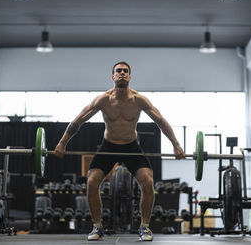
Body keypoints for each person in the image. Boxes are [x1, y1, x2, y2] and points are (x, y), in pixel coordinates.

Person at [54, 61, 185, 241]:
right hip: (109, 145)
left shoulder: (139, 100)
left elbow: (161, 121)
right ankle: (97, 227)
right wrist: (62, 143)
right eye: (118, 71)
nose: (122, 73)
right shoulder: (103, 100)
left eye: (125, 71)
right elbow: (78, 121)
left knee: (147, 182)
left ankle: (145, 228)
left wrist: (176, 145)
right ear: (113, 76)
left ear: (129, 76)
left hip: (131, 146)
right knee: (92, 182)